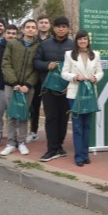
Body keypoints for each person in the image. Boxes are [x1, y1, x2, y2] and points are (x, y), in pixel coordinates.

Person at [34, 16, 75, 162]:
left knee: (63, 118)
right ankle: (51, 148)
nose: (61, 29)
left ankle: (59, 146)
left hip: (67, 89)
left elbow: (77, 67)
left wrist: (70, 85)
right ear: (54, 28)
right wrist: (47, 65)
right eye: (58, 26)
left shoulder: (73, 45)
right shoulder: (44, 45)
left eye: (64, 26)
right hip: (48, 88)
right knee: (51, 118)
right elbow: (36, 62)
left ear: (68, 28)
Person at [61, 30, 103, 167]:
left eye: (84, 39)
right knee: (78, 126)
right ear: (76, 41)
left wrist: (95, 77)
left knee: (87, 126)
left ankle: (85, 154)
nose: (82, 41)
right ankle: (78, 156)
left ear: (88, 41)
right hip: (75, 94)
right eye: (80, 39)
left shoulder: (95, 54)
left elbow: (100, 71)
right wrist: (74, 77)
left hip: (90, 94)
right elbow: (64, 73)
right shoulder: (69, 54)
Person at [0, 19, 39, 156]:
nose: (30, 29)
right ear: (22, 30)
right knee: (11, 115)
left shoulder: (38, 47)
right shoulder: (12, 44)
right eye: (27, 27)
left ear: (36, 31)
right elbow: (6, 63)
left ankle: (22, 142)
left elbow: (37, 69)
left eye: (33, 27)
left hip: (28, 88)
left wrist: (28, 84)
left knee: (23, 115)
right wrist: (14, 82)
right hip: (12, 86)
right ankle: (10, 143)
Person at [27, 15, 51, 143]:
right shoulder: (32, 41)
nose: (43, 24)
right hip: (35, 79)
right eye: (41, 22)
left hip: (49, 79)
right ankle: (33, 132)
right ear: (37, 25)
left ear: (49, 25)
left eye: (46, 22)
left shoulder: (53, 40)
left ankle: (51, 134)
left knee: (49, 109)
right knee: (34, 107)